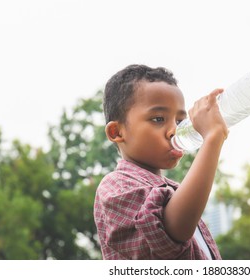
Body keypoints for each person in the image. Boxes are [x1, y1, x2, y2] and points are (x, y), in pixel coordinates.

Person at [94, 64, 228, 259]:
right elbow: (170, 230)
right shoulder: (115, 185)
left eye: (180, 121)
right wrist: (212, 139)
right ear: (117, 132)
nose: (175, 130)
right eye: (158, 119)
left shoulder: (175, 190)